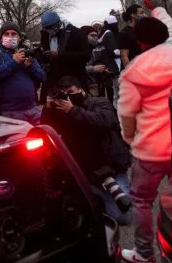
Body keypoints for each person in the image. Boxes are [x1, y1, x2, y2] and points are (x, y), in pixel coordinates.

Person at [117, 0, 172, 263]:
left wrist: (130, 140)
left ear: (139, 43)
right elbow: (170, 26)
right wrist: (156, 7)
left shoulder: (133, 72)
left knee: (141, 201)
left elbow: (126, 116)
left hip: (150, 148)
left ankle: (144, 254)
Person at [42, 76, 132, 225]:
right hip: (84, 170)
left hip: (109, 167)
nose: (67, 96)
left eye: (70, 92)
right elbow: (47, 130)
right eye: (63, 93)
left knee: (123, 217)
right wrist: (48, 109)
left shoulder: (100, 102)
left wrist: (73, 111)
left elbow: (105, 121)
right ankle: (96, 195)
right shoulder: (61, 111)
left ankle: (112, 192)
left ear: (81, 89)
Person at [0, 23, 46, 124]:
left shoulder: (25, 53)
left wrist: (30, 67)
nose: (10, 37)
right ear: (1, 38)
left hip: (33, 108)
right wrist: (14, 62)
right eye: (6, 34)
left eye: (14, 34)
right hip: (10, 111)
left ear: (19, 38)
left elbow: (42, 77)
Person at [39, 11, 92, 103]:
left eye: (52, 27)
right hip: (55, 79)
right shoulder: (46, 35)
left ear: (59, 23)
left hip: (74, 78)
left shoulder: (76, 33)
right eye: (47, 29)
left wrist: (60, 55)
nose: (50, 31)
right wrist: (43, 55)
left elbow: (86, 56)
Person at [118, 4, 146, 68]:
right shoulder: (124, 33)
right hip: (135, 70)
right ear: (133, 15)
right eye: (142, 13)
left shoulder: (142, 29)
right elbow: (124, 56)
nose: (144, 15)